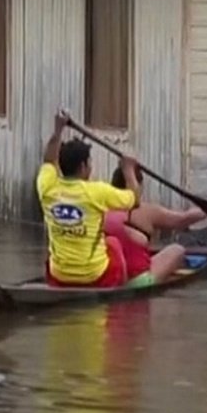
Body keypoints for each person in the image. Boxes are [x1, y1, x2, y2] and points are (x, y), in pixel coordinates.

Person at [37, 108, 141, 288]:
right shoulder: (97, 192)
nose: (91, 166)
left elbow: (48, 160)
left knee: (54, 260)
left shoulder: (47, 187)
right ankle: (121, 291)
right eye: (90, 162)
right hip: (95, 277)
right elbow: (135, 200)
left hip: (58, 276)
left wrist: (58, 131)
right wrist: (128, 170)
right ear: (84, 166)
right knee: (112, 242)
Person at [104, 165, 207, 286]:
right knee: (177, 250)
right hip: (138, 278)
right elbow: (183, 219)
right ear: (138, 186)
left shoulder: (101, 207)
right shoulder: (146, 210)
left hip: (107, 275)